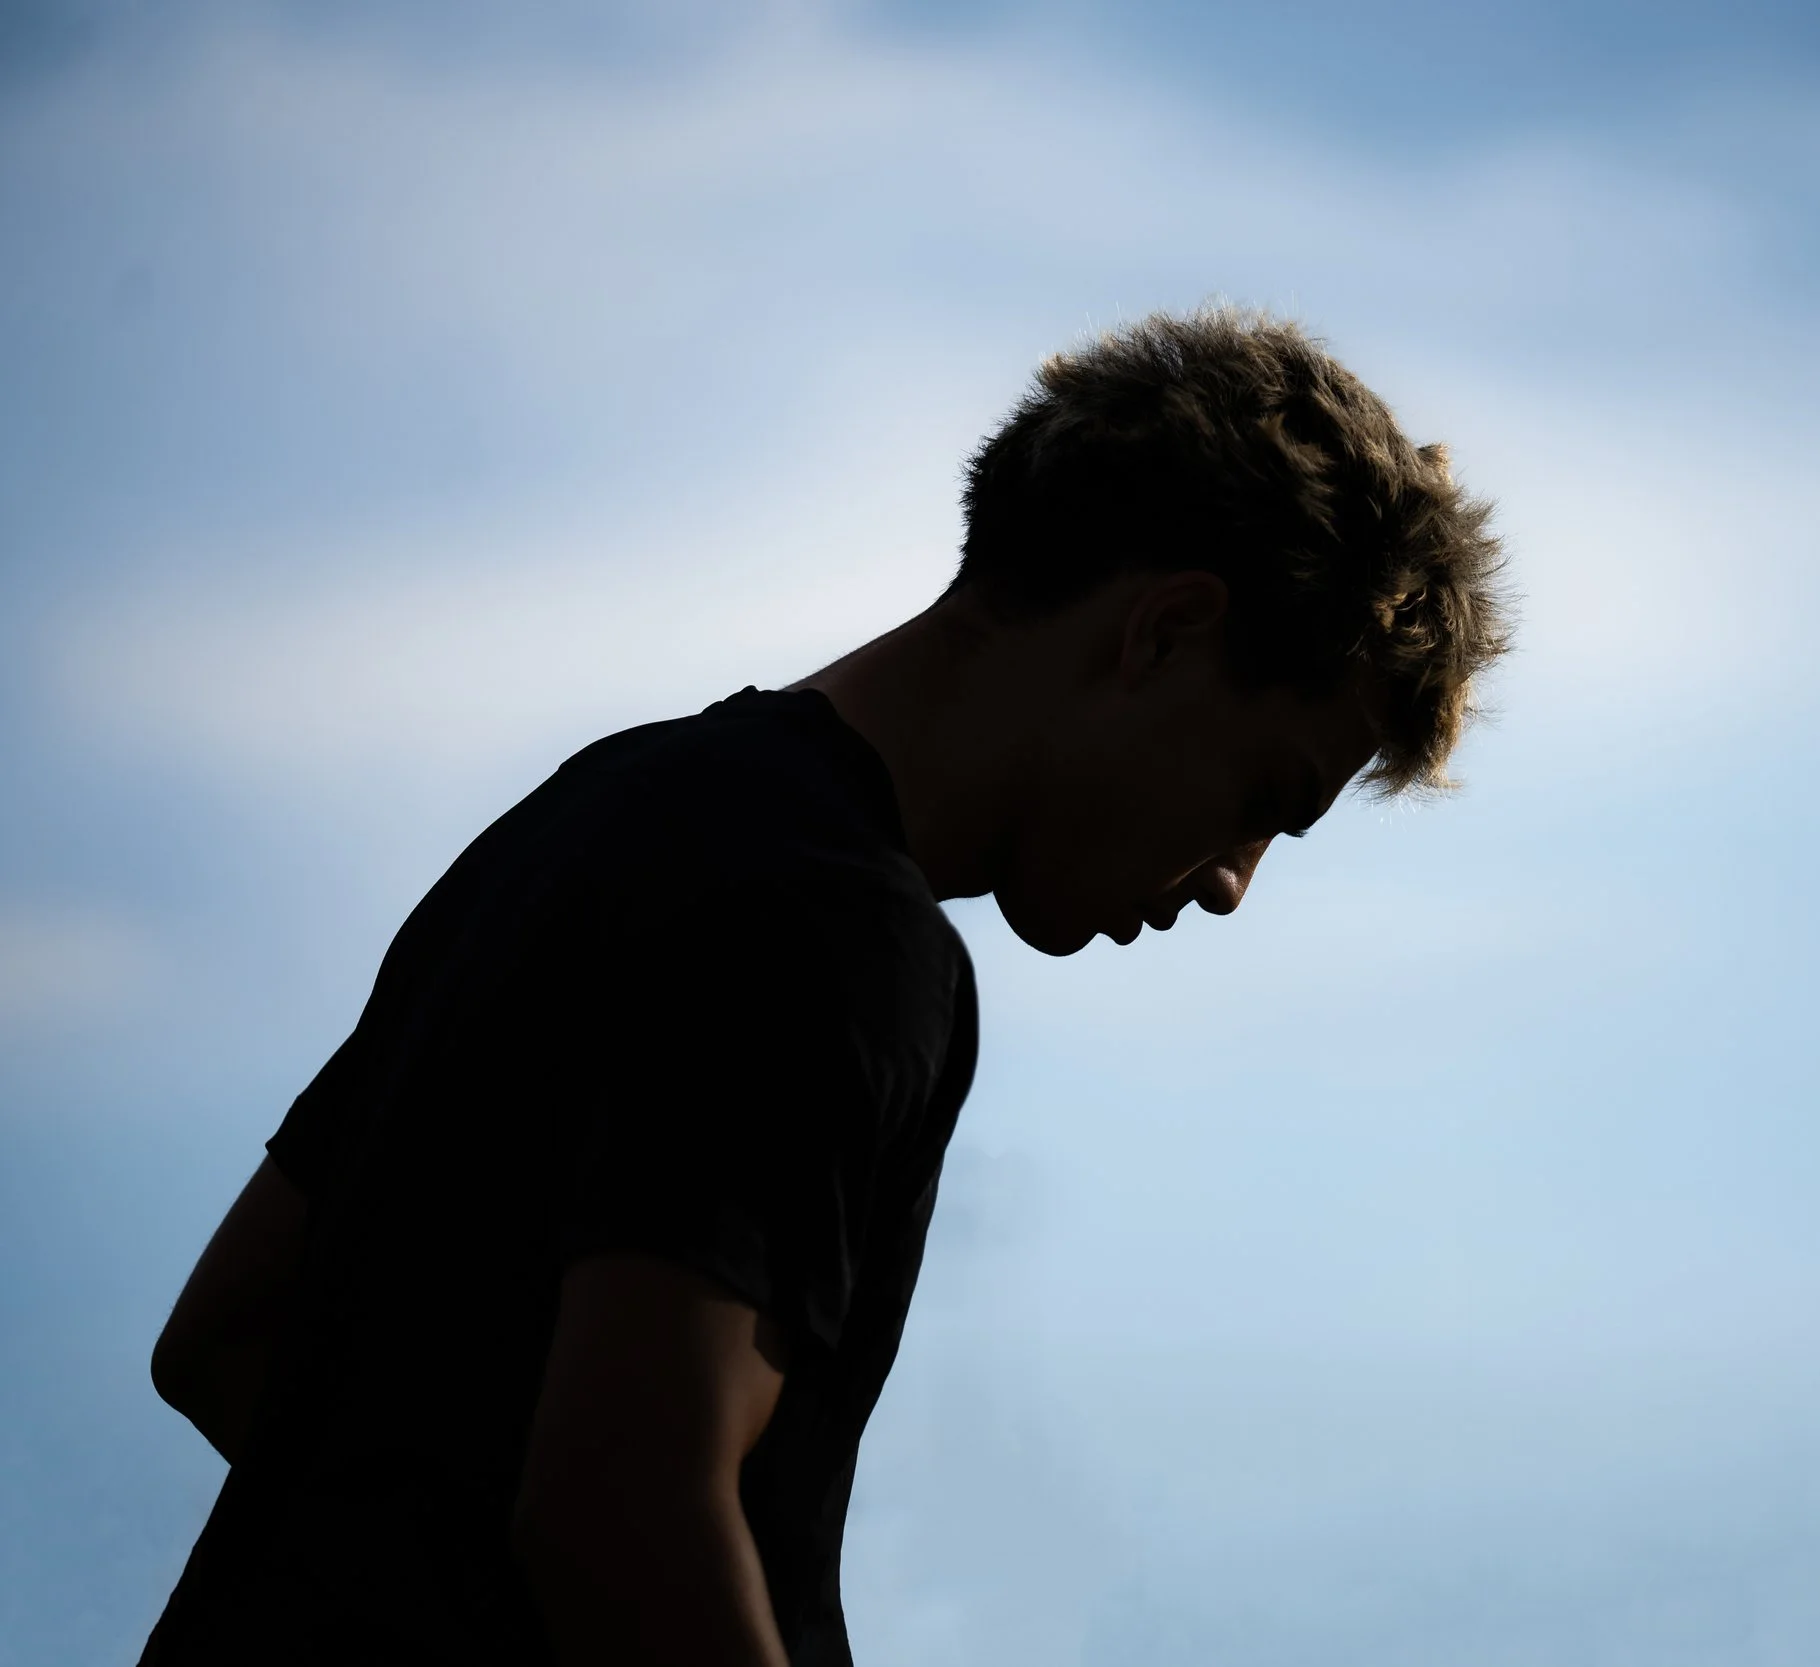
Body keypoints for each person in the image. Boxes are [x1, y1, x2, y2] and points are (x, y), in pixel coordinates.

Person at [139, 307, 1512, 1667]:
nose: (1231, 883)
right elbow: (626, 1512)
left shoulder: (594, 809)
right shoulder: (848, 937)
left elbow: (229, 1334)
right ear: (1163, 633)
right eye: (1265, 800)